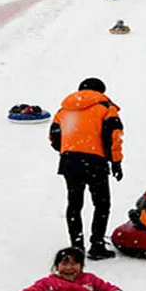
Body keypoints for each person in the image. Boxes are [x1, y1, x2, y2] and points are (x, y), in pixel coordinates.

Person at [49, 78, 124, 260]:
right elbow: (114, 136)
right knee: (101, 203)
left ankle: (77, 245)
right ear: (101, 91)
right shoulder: (105, 107)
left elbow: (54, 136)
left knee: (74, 204)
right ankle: (97, 245)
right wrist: (116, 162)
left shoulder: (64, 109)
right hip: (95, 161)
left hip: (70, 161)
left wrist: (68, 150)